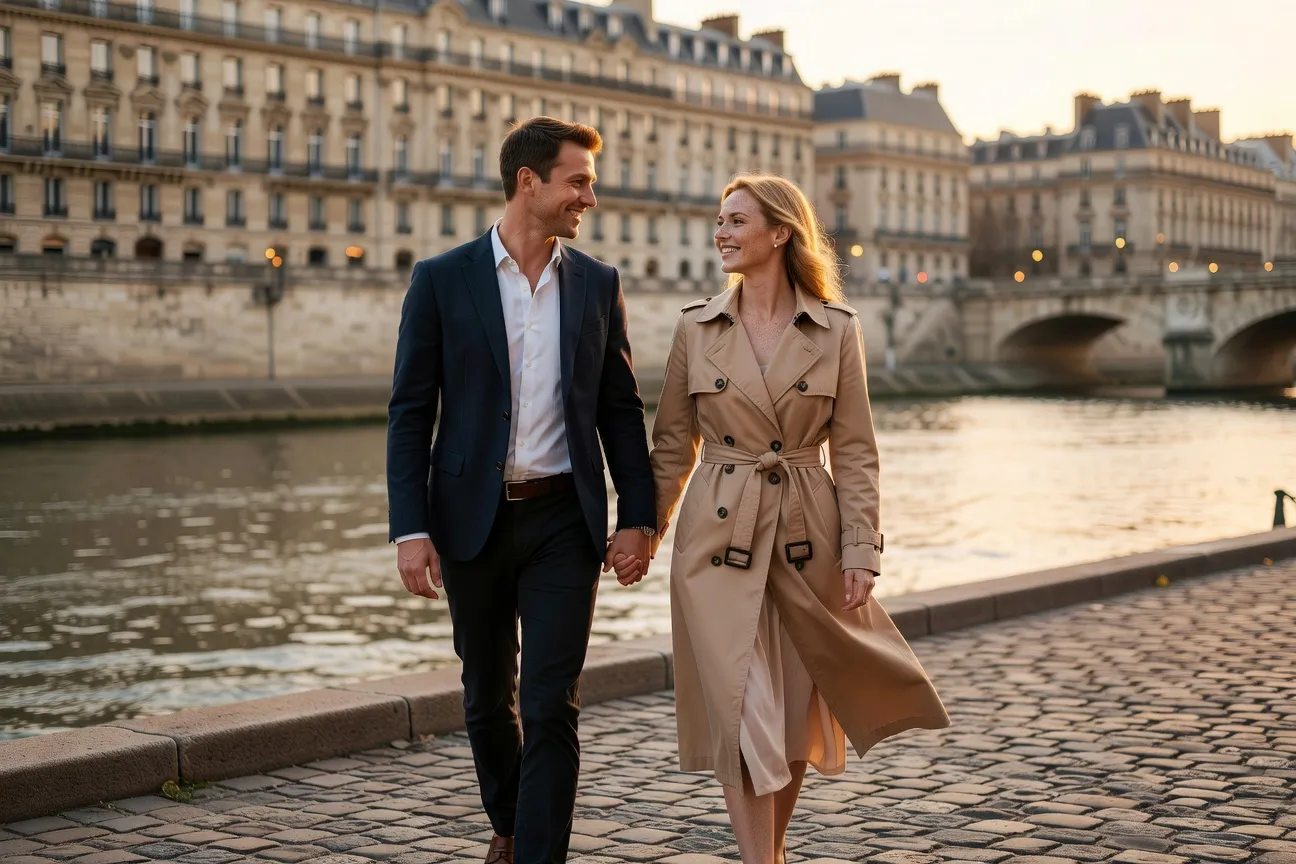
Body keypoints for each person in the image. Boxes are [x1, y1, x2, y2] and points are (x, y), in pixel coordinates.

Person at [623, 173, 949, 864]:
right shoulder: (695, 326)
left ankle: (768, 853)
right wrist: (643, 532)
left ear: (780, 232)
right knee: (741, 712)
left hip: (808, 534)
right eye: (720, 220)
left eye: (736, 221)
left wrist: (861, 549)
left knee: (795, 713)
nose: (722, 232)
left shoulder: (836, 330)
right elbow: (672, 447)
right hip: (717, 538)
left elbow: (857, 450)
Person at [387, 117, 658, 864]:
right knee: (485, 698)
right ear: (528, 182)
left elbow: (618, 409)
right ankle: (510, 824)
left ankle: (538, 854)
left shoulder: (599, 284)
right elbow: (411, 412)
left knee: (551, 704)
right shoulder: (442, 279)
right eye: (579, 181)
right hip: (469, 521)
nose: (590, 198)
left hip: (564, 523)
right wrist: (409, 528)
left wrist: (640, 517)